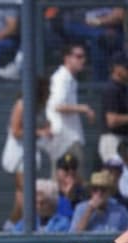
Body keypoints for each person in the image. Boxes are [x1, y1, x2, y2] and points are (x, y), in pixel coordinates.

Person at [1, 78, 51, 231]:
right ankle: (16, 227)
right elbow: (16, 131)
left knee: (23, 195)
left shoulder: (38, 107)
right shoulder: (22, 104)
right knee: (25, 192)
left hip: (29, 155)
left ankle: (11, 226)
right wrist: (40, 132)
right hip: (20, 155)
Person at [45, 43, 96, 177]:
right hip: (64, 138)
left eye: (84, 57)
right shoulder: (62, 78)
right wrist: (83, 109)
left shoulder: (69, 79)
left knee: (73, 180)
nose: (83, 60)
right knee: (66, 180)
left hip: (69, 137)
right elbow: (58, 106)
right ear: (67, 58)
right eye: (78, 56)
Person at [62, 7, 124, 81]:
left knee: (99, 41)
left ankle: (98, 86)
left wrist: (98, 22)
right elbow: (71, 18)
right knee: (99, 37)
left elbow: (121, 14)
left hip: (111, 29)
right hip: (81, 26)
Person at [98, 52, 128, 163]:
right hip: (113, 141)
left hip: (121, 140)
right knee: (116, 177)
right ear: (117, 68)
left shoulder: (123, 88)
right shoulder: (111, 89)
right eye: (126, 67)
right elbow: (112, 120)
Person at [55, 153, 87, 219]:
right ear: (57, 172)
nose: (70, 172)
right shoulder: (52, 192)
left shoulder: (84, 192)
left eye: (73, 168)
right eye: (65, 168)